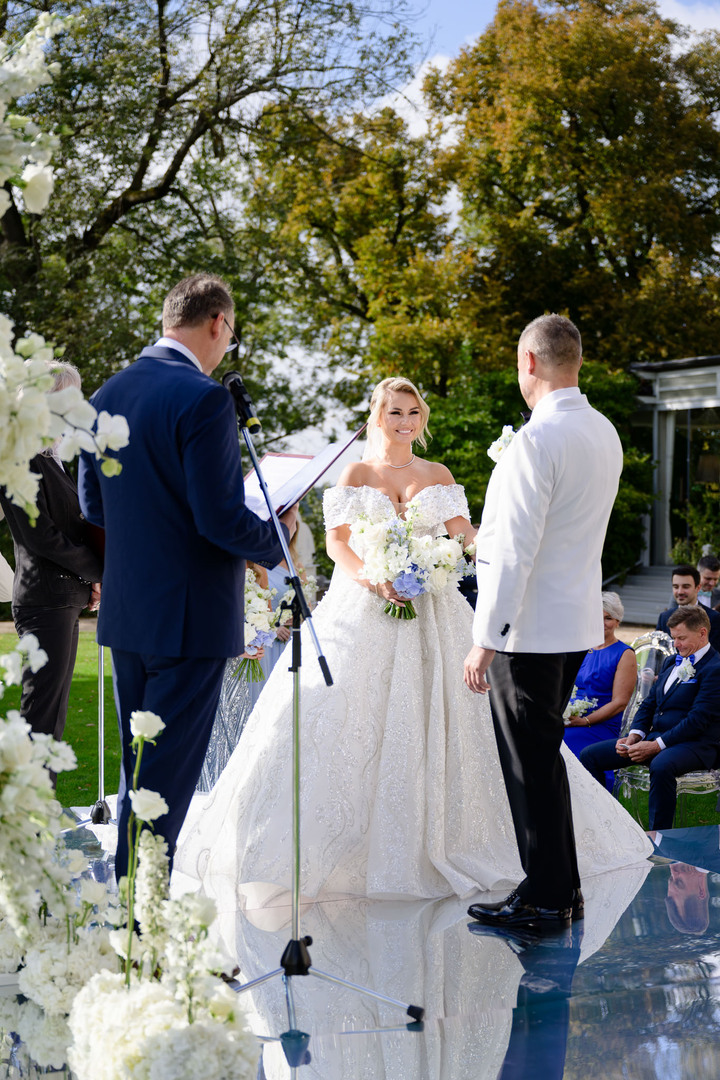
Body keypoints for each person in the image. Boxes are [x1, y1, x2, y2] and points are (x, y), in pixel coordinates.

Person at [175, 375, 652, 907]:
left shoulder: (438, 473)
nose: (405, 421)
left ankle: (497, 848)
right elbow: (337, 546)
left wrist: (490, 549)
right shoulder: (355, 473)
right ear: (376, 416)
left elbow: (467, 536)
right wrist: (373, 577)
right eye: (395, 412)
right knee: (343, 721)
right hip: (363, 609)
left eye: (413, 412)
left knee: (458, 721)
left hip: (436, 610)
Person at [78, 273, 295, 879]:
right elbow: (221, 520)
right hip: (191, 617)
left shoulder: (105, 395)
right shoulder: (203, 399)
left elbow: (94, 507)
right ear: (217, 324)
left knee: (142, 775)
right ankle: (144, 932)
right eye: (230, 334)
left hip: (127, 615)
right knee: (165, 783)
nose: (227, 347)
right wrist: (274, 539)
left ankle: (133, 918)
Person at [463, 313, 624, 933]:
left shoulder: (534, 441)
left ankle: (547, 898)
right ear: (575, 360)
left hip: (525, 631)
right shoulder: (603, 430)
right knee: (545, 756)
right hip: (574, 626)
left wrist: (485, 638)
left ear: (529, 362)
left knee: (529, 764)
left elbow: (511, 550)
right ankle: (561, 885)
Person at [0, 362, 103, 766]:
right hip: (44, 600)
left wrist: (90, 578)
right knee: (40, 719)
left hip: (61, 598)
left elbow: (71, 528)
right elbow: (40, 536)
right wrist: (96, 570)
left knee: (52, 718)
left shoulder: (50, 458)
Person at [580, 605, 720, 830]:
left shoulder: (715, 668)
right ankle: (604, 826)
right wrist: (635, 736)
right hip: (657, 737)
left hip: (697, 744)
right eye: (673, 638)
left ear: (702, 633)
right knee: (590, 756)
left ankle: (660, 839)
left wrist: (655, 746)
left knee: (661, 765)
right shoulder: (670, 661)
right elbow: (649, 704)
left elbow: (698, 720)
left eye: (681, 638)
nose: (676, 644)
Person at [563, 591, 636, 789]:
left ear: (618, 621)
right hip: (572, 718)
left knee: (564, 743)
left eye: (608, 618)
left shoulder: (624, 653)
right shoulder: (582, 648)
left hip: (601, 725)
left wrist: (584, 721)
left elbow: (619, 702)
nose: (602, 623)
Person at [657, 565, 720, 651]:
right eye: (676, 587)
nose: (680, 592)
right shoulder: (664, 618)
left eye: (686, 587)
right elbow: (656, 655)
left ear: (698, 588)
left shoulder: (714, 618)